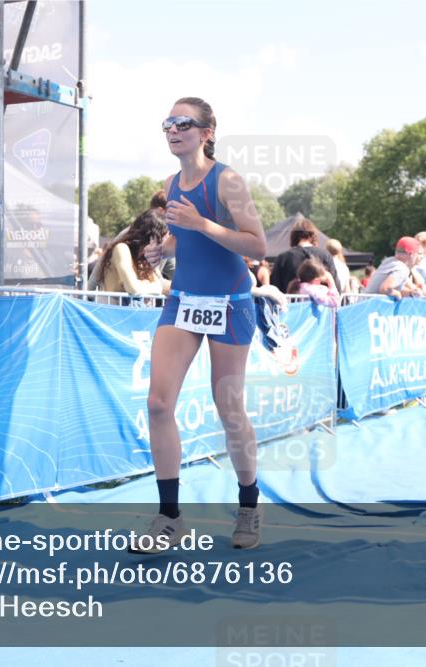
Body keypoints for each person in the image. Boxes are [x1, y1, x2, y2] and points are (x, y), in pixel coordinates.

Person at [133, 97, 268, 553]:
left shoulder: (227, 180)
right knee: (157, 403)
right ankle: (169, 517)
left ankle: (249, 502)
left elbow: (258, 245)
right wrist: (165, 250)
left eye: (183, 123)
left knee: (229, 410)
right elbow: (183, 235)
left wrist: (203, 224)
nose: (173, 129)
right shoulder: (172, 182)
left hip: (229, 303)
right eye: (167, 122)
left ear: (207, 131)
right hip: (184, 302)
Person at [89, 204, 170, 296]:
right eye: (166, 234)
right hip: (113, 309)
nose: (168, 238)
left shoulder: (144, 258)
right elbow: (134, 289)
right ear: (154, 235)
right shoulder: (121, 249)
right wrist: (151, 286)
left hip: (131, 309)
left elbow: (158, 285)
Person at [269, 216, 339, 294]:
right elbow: (336, 284)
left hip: (291, 304)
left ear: (294, 236)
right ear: (313, 236)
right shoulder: (325, 255)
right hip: (321, 304)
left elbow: (274, 286)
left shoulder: (283, 258)